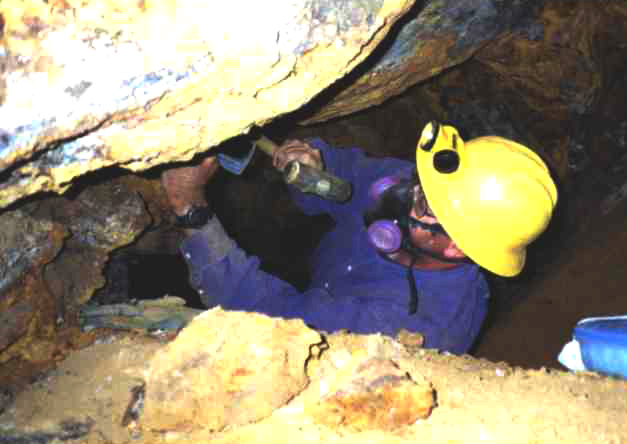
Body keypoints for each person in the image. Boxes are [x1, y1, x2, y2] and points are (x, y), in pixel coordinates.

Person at [160, 121, 558, 354]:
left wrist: (189, 206)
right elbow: (347, 176)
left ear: (458, 246)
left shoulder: (413, 326)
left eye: (426, 206)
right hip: (321, 284)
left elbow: (262, 314)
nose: (406, 196)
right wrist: (313, 164)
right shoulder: (424, 193)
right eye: (423, 184)